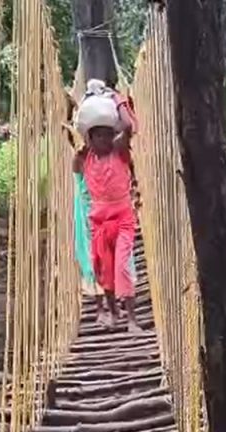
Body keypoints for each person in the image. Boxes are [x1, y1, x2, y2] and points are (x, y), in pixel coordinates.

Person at [72, 100, 142, 333]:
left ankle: (132, 319)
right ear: (89, 139)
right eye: (97, 136)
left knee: (122, 266)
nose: (103, 140)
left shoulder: (119, 151)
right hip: (98, 223)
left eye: (106, 135)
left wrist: (118, 101)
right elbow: (75, 170)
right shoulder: (85, 158)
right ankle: (113, 313)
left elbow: (129, 128)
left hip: (122, 219)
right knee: (105, 273)